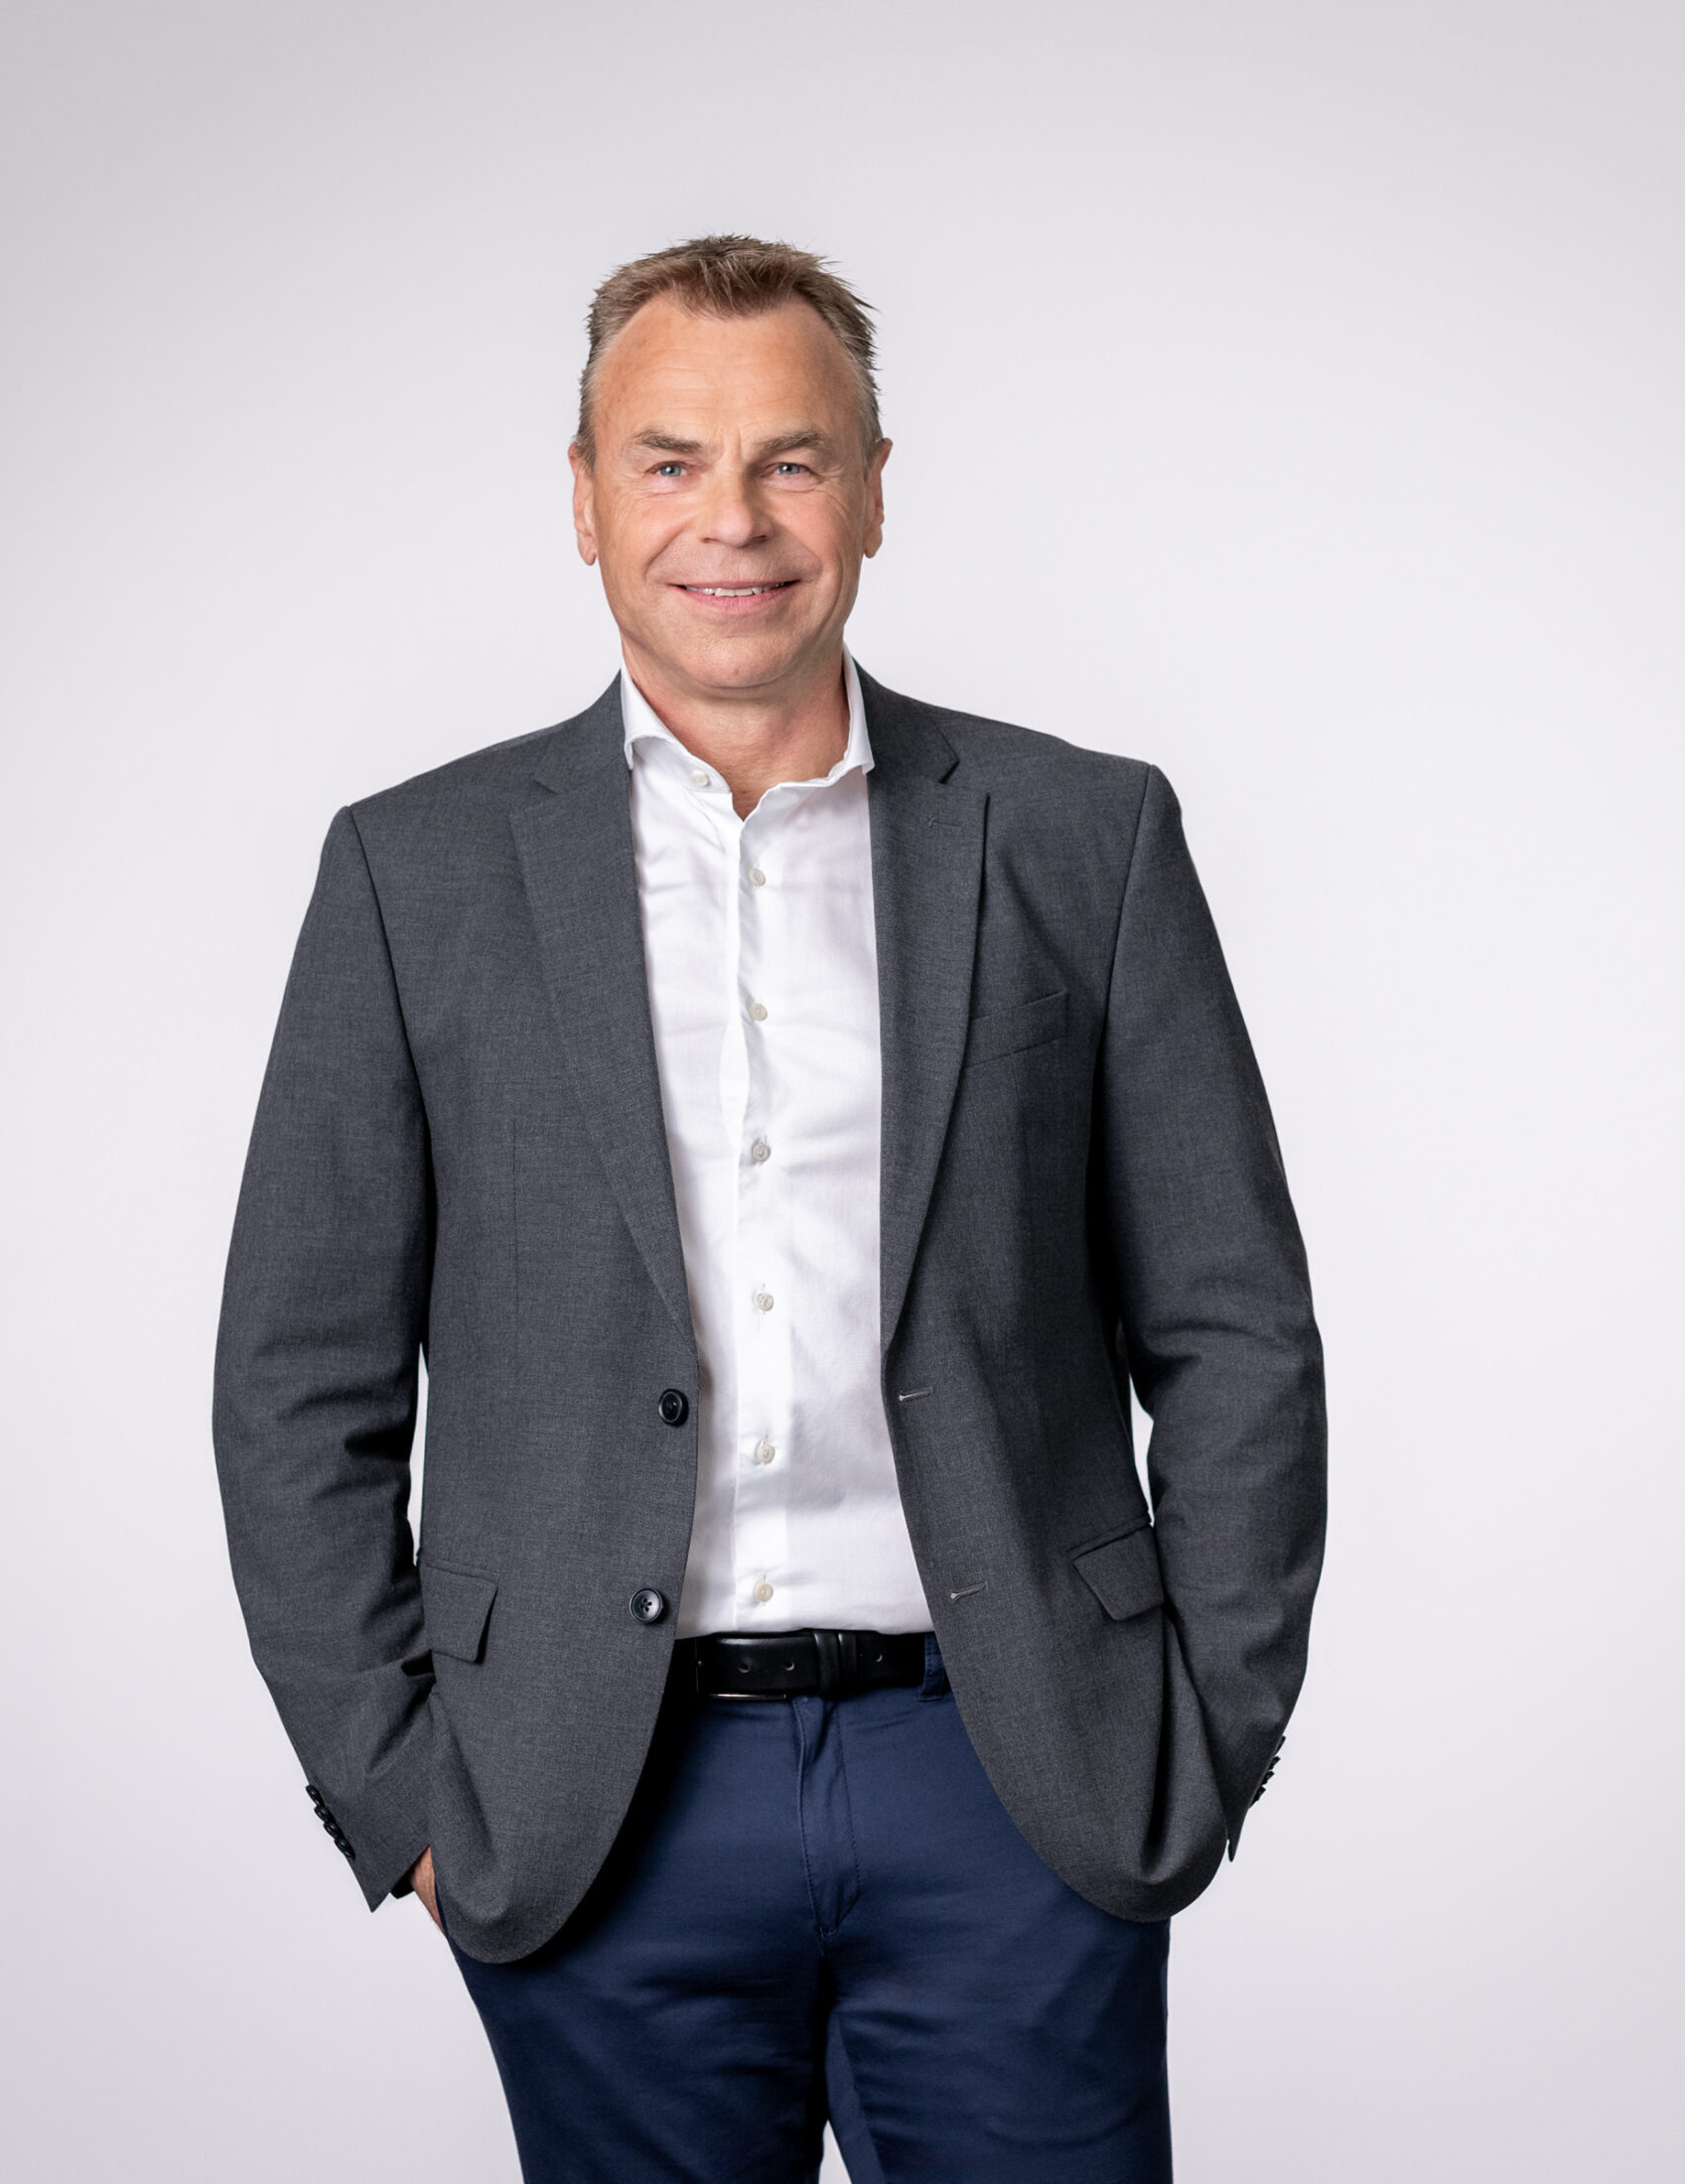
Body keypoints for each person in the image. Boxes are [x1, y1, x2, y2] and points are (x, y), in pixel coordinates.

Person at [213, 234, 1326, 2183]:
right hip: (595, 1791)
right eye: (667, 460)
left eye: (789, 459)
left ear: (874, 486)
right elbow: (296, 1378)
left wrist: (1195, 1732)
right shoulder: (418, 873)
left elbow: (1228, 1320)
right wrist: (399, 1786)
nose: (729, 518)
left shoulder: (1080, 838)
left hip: (1008, 1770)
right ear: (581, 499)